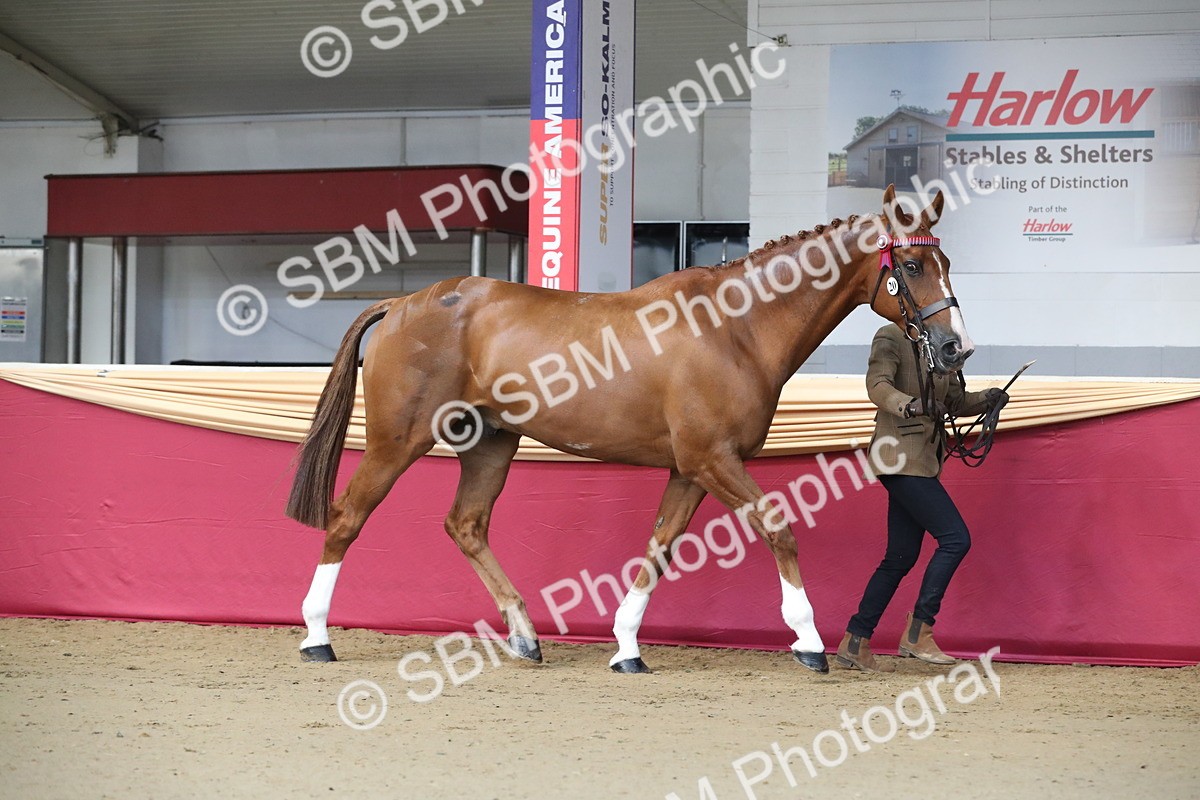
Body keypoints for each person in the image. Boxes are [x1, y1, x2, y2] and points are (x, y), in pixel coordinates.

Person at [835, 323, 1007, 672]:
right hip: (899, 456)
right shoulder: (889, 336)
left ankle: (856, 640)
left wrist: (989, 398)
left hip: (923, 462)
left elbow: (954, 402)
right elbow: (877, 385)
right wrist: (909, 405)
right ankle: (919, 631)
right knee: (955, 539)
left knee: (900, 557)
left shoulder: (941, 344)